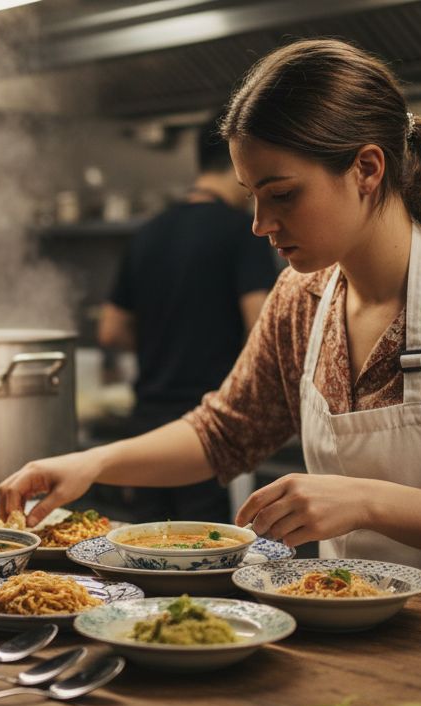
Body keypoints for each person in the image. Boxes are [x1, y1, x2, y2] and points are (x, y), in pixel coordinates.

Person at [0, 39, 421, 616]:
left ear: (366, 168)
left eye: (281, 195)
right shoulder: (303, 295)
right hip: (352, 635)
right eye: (252, 197)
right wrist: (94, 463)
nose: (260, 224)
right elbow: (225, 433)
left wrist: (367, 502)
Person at [97, 119, 281, 523]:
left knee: (141, 553)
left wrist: (162, 341)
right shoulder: (241, 233)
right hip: (210, 431)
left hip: (146, 424)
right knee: (205, 556)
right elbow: (261, 324)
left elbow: (110, 329)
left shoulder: (147, 232)